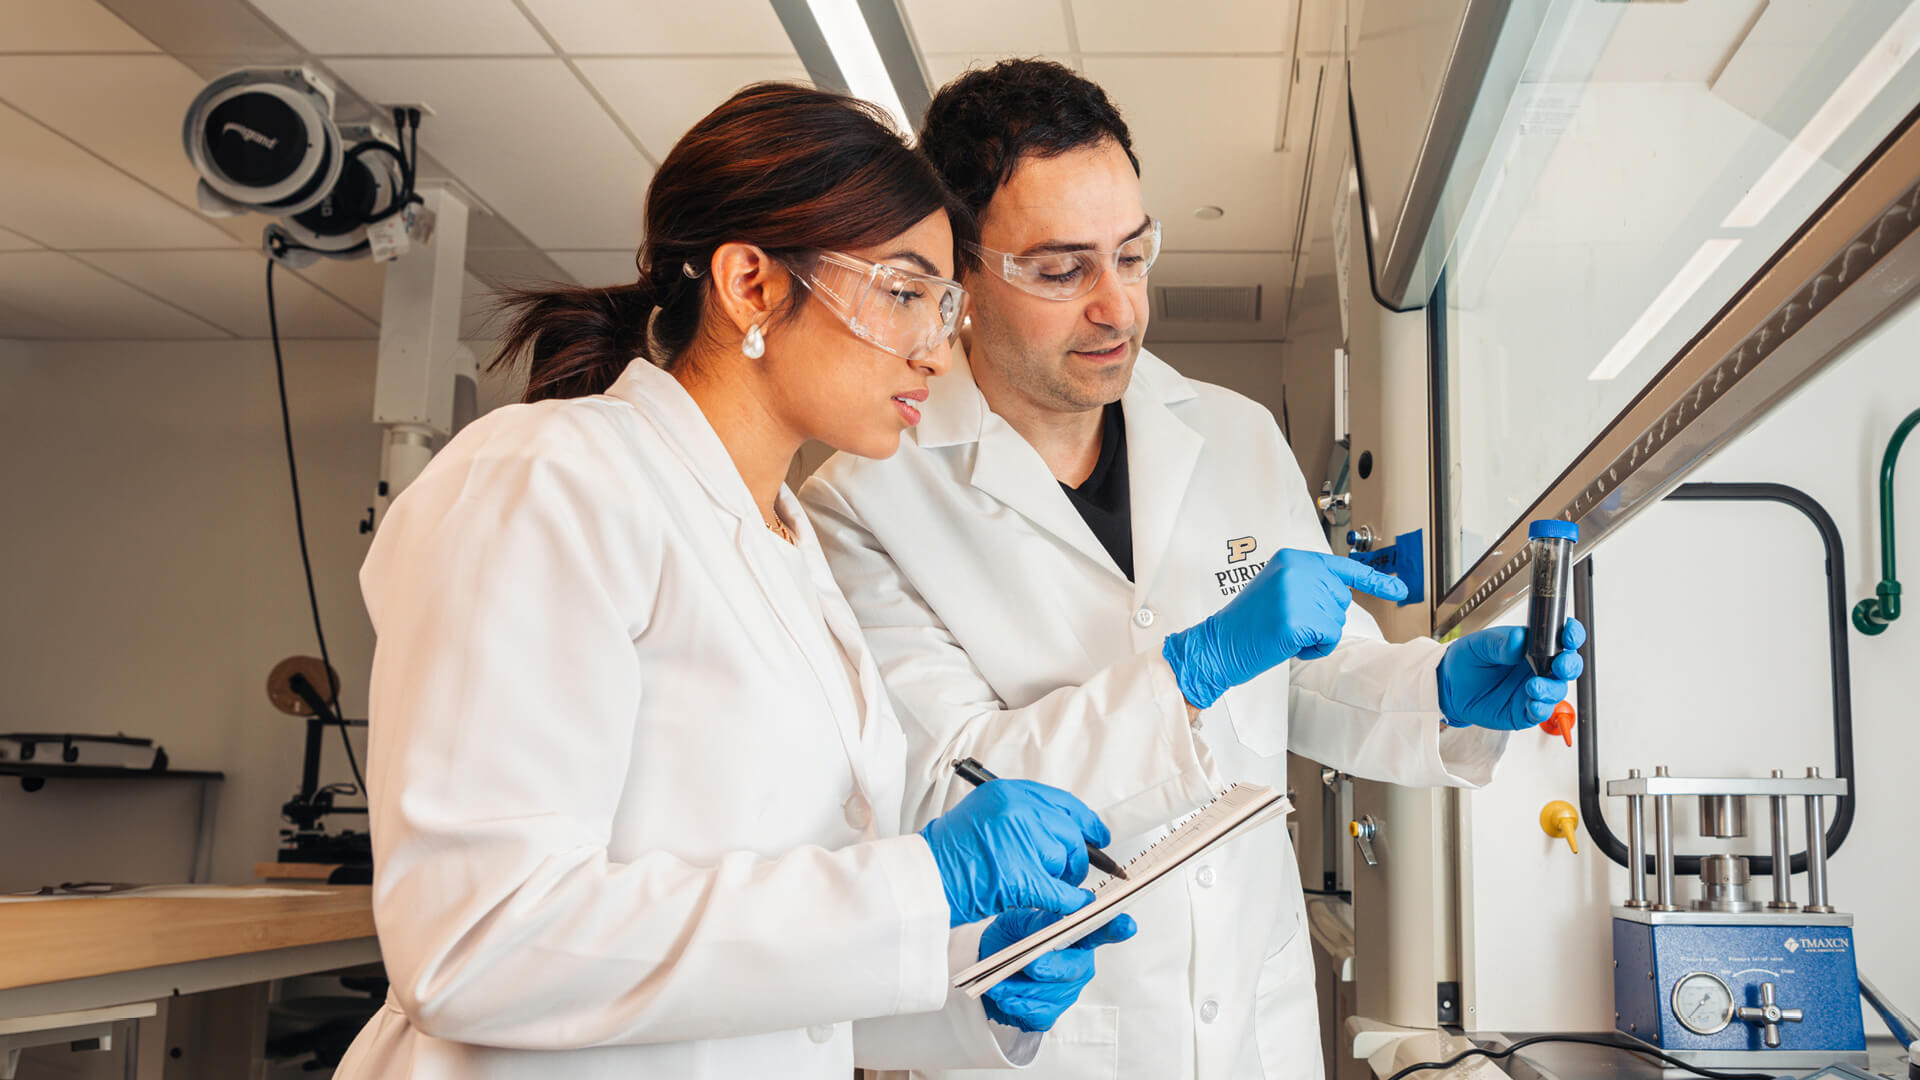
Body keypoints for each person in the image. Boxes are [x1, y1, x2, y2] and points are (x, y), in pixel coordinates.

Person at [798, 60, 1584, 1079]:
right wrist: (1194, 669)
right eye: (1061, 269)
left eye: (1133, 255)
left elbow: (1310, 677)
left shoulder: (1234, 435)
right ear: (960, 272)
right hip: (1059, 1039)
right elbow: (953, 797)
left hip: (1257, 1026)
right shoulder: (864, 499)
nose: (1118, 309)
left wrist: (1437, 689)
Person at [333, 83, 1135, 1080]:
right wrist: (924, 882)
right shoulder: (551, 479)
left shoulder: (790, 544)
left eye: (946, 304)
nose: (939, 346)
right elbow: (477, 940)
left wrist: (975, 987)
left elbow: (771, 984)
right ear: (752, 284)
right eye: (903, 292)